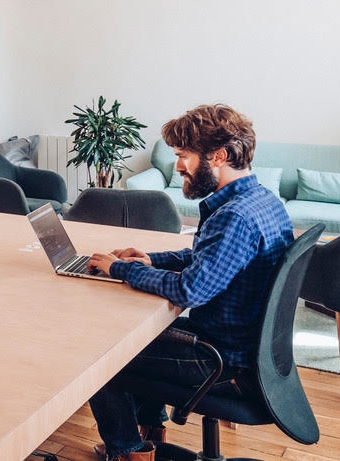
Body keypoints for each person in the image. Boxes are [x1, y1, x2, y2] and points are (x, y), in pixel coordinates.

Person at [85, 104, 293, 461]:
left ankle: (127, 453)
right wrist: (151, 260)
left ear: (219, 156)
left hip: (222, 360)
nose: (178, 165)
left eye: (183, 156)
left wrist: (119, 269)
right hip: (245, 350)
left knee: (97, 354)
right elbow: (211, 259)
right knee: (141, 335)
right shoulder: (260, 202)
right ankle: (150, 433)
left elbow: (190, 290)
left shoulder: (236, 217)